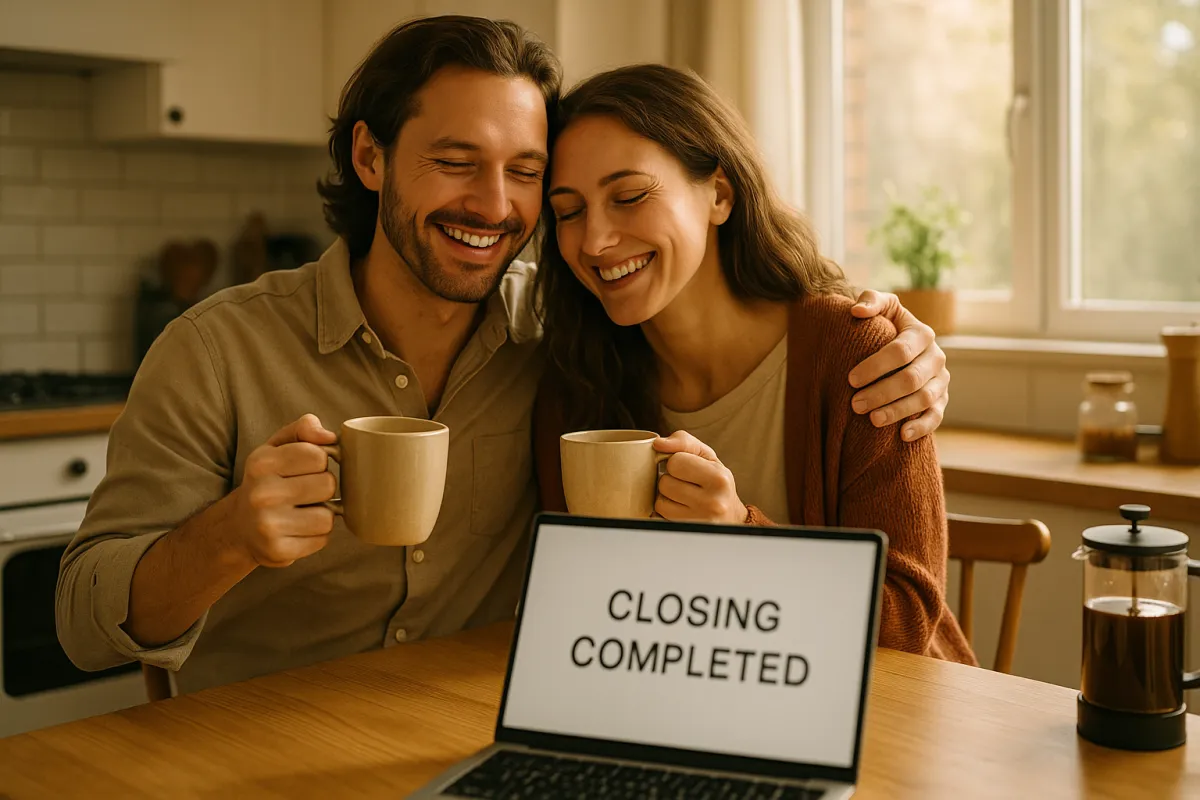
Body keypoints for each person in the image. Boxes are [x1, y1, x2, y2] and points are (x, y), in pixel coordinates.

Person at [56, 16, 955, 694]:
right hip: (264, 748)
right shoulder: (218, 350)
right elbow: (82, 628)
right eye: (457, 160)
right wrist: (227, 537)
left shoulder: (556, 348)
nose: (495, 205)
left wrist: (902, 340)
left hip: (522, 728)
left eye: (525, 173)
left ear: (719, 192)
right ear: (370, 157)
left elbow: (904, 631)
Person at [532, 64, 974, 665]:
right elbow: (577, 607)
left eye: (629, 196)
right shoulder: (577, 381)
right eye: (568, 212)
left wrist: (740, 536)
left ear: (719, 194)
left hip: (898, 710)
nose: (594, 241)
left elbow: (904, 625)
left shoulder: (859, 356)